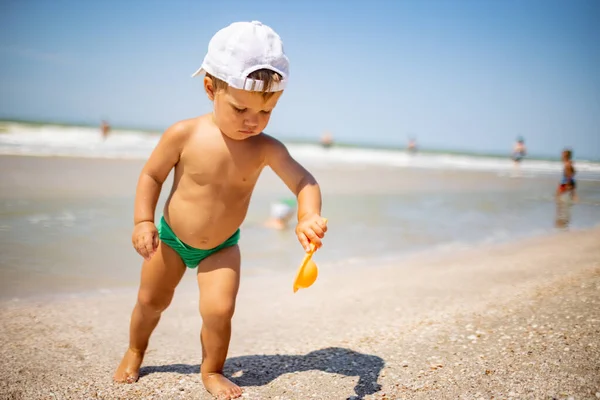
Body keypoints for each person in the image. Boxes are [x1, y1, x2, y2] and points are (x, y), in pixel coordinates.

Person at [113, 21, 327, 400]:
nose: (253, 121)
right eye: (241, 108)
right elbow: (151, 175)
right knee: (151, 302)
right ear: (211, 88)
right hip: (171, 238)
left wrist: (307, 215)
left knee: (219, 311)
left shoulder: (266, 148)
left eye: (266, 111)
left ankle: (211, 370)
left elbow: (303, 181)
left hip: (222, 246)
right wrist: (142, 220)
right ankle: (135, 350)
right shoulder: (185, 133)